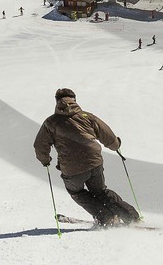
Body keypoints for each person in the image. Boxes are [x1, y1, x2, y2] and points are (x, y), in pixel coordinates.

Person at [33, 88, 140, 226]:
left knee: (76, 192)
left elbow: (40, 146)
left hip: (72, 168)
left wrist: (45, 160)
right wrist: (116, 146)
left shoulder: (51, 122)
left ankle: (106, 217)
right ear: (74, 100)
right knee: (100, 191)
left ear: (56, 101)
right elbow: (108, 136)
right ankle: (131, 217)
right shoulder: (87, 117)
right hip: (94, 162)